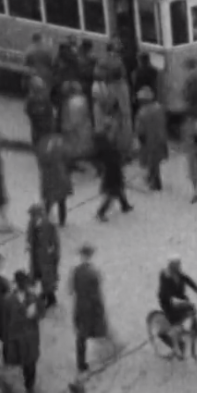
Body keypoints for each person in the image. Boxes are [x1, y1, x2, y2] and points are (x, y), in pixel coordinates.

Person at [70, 244, 111, 374]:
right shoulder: (93, 273)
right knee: (99, 329)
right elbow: (96, 294)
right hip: (91, 308)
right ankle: (107, 353)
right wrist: (100, 308)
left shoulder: (76, 271)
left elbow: (72, 289)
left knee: (81, 336)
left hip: (80, 306)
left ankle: (80, 363)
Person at [4, 270, 43, 393]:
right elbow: (5, 319)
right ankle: (27, 382)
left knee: (30, 363)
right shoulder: (9, 300)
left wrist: (35, 313)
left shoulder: (32, 297)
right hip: (18, 336)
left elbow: (41, 313)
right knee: (23, 361)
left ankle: (29, 386)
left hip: (30, 336)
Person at [158, 255, 197, 358]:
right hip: (168, 303)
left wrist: (196, 288)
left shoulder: (178, 274)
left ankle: (195, 327)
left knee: (191, 309)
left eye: (179, 264)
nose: (179, 266)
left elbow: (186, 279)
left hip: (179, 299)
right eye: (176, 264)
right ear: (171, 265)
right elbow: (165, 291)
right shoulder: (165, 276)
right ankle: (176, 346)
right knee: (175, 324)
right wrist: (173, 299)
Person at [95, 126, 133, 222]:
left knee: (119, 190)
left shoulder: (106, 149)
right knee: (112, 194)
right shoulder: (107, 151)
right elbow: (114, 162)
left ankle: (125, 205)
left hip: (113, 173)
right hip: (112, 175)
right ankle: (101, 212)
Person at [27, 203, 61, 309]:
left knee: (47, 277)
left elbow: (55, 242)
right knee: (40, 275)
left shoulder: (49, 224)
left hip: (46, 257)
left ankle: (50, 297)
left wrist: (54, 255)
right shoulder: (32, 222)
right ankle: (47, 294)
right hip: (37, 255)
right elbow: (30, 236)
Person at [135, 88, 169, 192]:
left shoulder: (142, 113)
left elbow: (140, 130)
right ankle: (153, 179)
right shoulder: (159, 108)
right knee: (156, 161)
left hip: (149, 142)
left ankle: (155, 182)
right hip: (160, 138)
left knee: (151, 163)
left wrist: (141, 141)